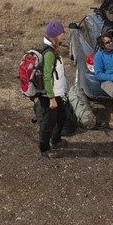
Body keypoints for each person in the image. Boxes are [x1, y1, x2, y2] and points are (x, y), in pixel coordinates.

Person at [35, 20, 69, 158]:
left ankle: (56, 140)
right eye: (61, 33)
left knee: (61, 117)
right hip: (50, 95)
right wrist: (51, 98)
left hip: (57, 93)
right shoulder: (48, 53)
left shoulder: (53, 48)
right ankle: (44, 149)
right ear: (55, 35)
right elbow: (46, 78)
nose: (63, 35)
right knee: (48, 123)